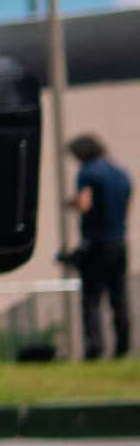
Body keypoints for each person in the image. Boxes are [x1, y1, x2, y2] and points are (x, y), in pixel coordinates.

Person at [70, 134, 132, 360]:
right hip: (118, 242)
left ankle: (94, 348)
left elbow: (85, 203)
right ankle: (123, 347)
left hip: (96, 243)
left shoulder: (87, 172)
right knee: (119, 297)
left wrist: (72, 203)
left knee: (91, 299)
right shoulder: (121, 173)